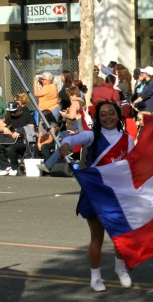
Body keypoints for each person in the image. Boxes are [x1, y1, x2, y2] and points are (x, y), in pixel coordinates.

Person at [57, 102, 135, 291]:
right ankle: (95, 277)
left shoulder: (127, 140)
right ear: (97, 118)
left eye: (111, 113)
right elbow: (73, 139)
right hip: (95, 192)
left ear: (118, 115)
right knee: (97, 237)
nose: (108, 117)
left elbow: (132, 166)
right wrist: (66, 144)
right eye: (103, 114)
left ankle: (120, 269)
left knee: (120, 236)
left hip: (117, 193)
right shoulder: (92, 136)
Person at [0, 101, 35, 177]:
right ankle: (6, 167)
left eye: (14, 112)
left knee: (10, 149)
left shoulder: (27, 116)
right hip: (11, 140)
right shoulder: (10, 116)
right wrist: (4, 129)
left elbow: (31, 128)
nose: (12, 114)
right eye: (11, 112)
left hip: (23, 140)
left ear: (19, 109)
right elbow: (2, 126)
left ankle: (15, 168)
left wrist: (19, 131)